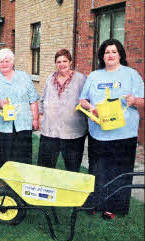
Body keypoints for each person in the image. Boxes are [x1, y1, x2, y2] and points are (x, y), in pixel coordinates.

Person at [79, 39, 144, 216]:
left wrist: (134, 101)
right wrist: (91, 107)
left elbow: (142, 100)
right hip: (99, 134)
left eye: (114, 52)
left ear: (120, 54)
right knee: (97, 170)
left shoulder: (131, 75)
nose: (110, 55)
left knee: (120, 171)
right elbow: (82, 100)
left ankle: (114, 208)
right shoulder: (94, 76)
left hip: (124, 134)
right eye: (107, 52)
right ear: (102, 55)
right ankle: (96, 204)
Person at [0, 48, 40, 176]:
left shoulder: (24, 77)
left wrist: (35, 119)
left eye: (7, 61)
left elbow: (33, 99)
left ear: (12, 62)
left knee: (22, 155)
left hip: (22, 124)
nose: (4, 64)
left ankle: (20, 180)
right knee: (0, 156)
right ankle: (3, 182)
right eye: (0, 61)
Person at [37, 49, 87, 172]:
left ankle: (71, 191)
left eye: (65, 61)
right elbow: (42, 100)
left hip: (73, 133)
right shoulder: (50, 79)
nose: (62, 64)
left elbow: (88, 101)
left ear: (70, 62)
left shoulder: (81, 79)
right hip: (50, 131)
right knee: (45, 168)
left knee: (72, 169)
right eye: (58, 61)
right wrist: (39, 117)